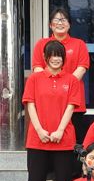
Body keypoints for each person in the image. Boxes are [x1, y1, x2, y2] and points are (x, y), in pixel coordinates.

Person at [23, 40, 81, 181]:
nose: (56, 59)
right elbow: (30, 105)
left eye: (59, 55)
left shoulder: (71, 80)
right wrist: (40, 130)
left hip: (63, 140)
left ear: (64, 58)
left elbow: (71, 107)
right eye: (52, 55)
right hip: (37, 139)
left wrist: (60, 131)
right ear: (45, 58)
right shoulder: (34, 79)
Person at [32, 8, 89, 144]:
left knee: (75, 145)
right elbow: (37, 69)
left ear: (69, 24)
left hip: (74, 102)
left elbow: (81, 69)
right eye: (56, 20)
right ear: (50, 25)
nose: (60, 23)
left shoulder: (79, 44)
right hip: (47, 103)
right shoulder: (41, 44)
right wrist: (53, 89)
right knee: (48, 141)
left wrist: (64, 88)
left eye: (63, 20)